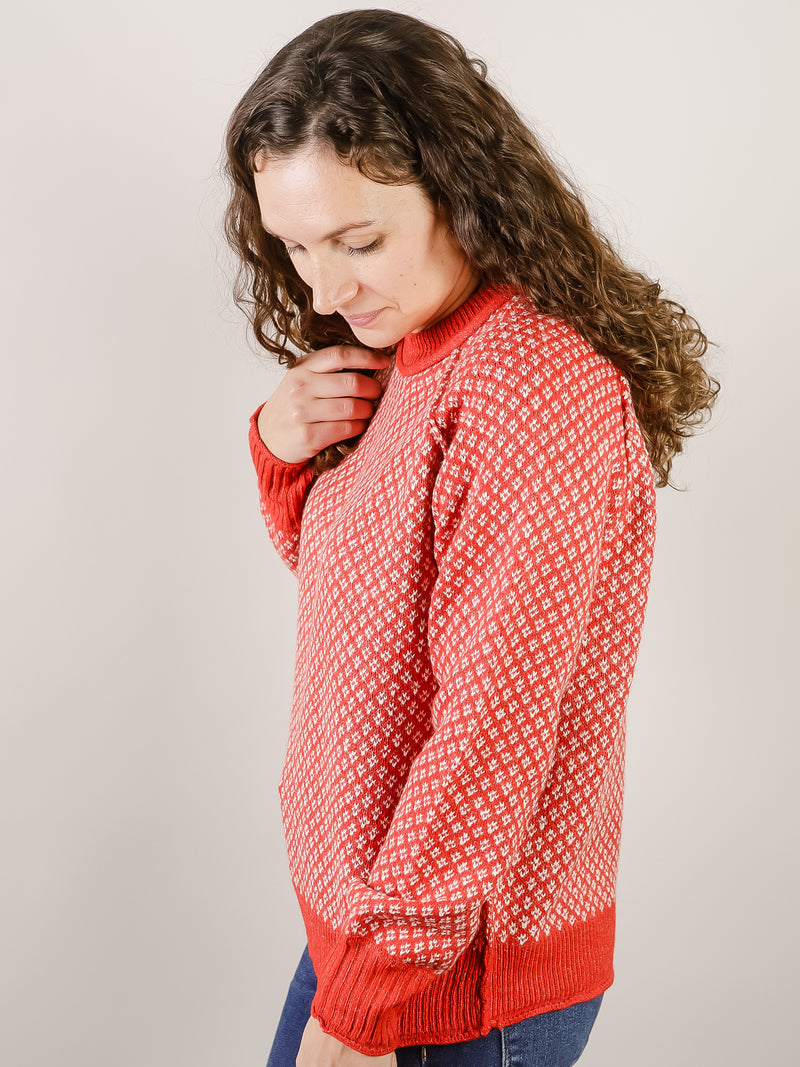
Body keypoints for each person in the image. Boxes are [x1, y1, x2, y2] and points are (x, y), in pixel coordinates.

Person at [223, 10, 718, 1066]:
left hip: (450, 981)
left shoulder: (527, 386)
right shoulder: (417, 340)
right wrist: (279, 448)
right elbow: (369, 604)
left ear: (460, 188)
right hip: (371, 936)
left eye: (357, 242)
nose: (325, 288)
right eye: (296, 246)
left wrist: (359, 1018)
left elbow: (485, 742)